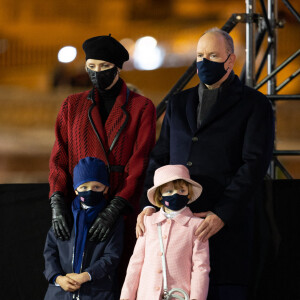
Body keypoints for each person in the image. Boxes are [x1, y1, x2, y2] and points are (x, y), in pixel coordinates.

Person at [137, 28, 274, 300]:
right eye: (200, 55)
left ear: (230, 60)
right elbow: (159, 158)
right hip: (176, 234)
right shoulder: (178, 103)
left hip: (225, 230)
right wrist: (148, 203)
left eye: (213, 55)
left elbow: (254, 164)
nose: (204, 61)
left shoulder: (254, 105)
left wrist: (222, 213)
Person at [48, 34, 156, 280]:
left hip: (122, 207)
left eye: (104, 67)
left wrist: (114, 209)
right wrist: (57, 202)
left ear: (117, 68)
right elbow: (59, 159)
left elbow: (140, 163)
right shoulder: (71, 105)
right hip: (79, 207)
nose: (97, 73)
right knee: (77, 273)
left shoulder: (141, 107)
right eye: (91, 67)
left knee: (120, 271)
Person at [120, 164, 210, 300]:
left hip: (179, 295)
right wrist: (127, 297)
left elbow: (201, 267)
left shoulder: (197, 225)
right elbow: (136, 263)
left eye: (181, 190)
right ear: (160, 195)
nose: (176, 194)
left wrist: (196, 298)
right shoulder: (149, 222)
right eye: (169, 191)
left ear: (189, 192)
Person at [44, 157, 124, 300]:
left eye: (96, 187)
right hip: (59, 294)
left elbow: (112, 256)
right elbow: (50, 252)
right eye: (84, 187)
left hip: (98, 293)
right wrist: (57, 278)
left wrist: (86, 276)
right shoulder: (64, 216)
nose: (90, 191)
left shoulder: (114, 220)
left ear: (105, 188)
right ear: (76, 190)